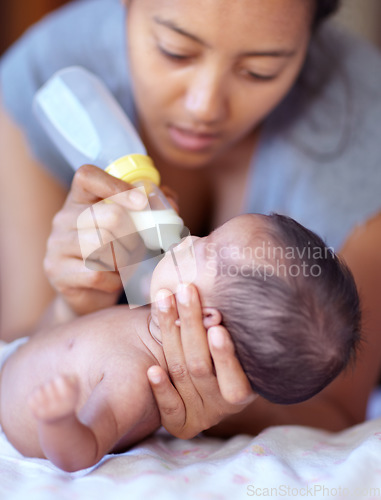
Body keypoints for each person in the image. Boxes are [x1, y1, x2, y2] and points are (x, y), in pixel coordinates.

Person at [0, 0, 381, 441]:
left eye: (259, 71)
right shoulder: (45, 81)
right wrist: (74, 305)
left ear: (311, 39)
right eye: (175, 51)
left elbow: (335, 410)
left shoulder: (364, 134)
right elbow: (17, 353)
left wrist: (224, 409)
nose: (204, 107)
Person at [0, 214, 361, 471]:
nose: (189, 240)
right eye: (208, 235)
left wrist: (59, 420)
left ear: (204, 320)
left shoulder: (134, 379)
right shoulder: (151, 320)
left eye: (203, 250)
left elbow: (80, 452)